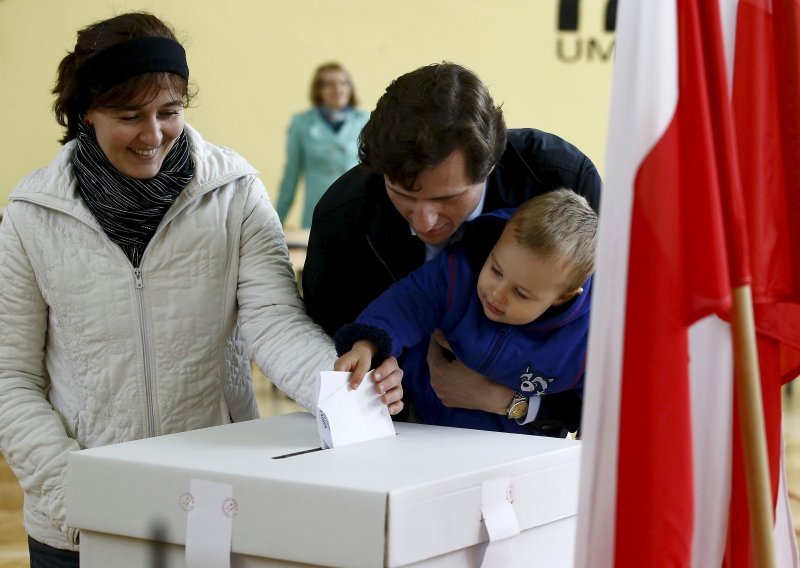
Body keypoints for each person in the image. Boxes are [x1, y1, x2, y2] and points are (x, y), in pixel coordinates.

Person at [0, 13, 402, 566]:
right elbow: (11, 376)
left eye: (169, 112)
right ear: (85, 113)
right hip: (77, 523)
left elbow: (274, 323)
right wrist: (75, 489)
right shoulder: (30, 217)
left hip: (214, 502)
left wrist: (344, 386)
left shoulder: (234, 192)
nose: (153, 134)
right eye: (129, 116)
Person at [303, 62, 601, 436]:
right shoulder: (343, 219)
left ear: (490, 165)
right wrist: (376, 374)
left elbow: (617, 377)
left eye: (448, 198)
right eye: (404, 195)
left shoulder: (559, 181)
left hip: (533, 436)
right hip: (408, 431)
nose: (424, 221)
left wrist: (506, 401)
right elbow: (336, 344)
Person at [334, 190, 597, 434]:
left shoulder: (587, 341)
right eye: (495, 270)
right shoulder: (459, 272)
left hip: (518, 450)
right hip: (425, 424)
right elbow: (407, 303)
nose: (497, 293)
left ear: (562, 297)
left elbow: (603, 414)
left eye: (521, 293)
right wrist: (366, 346)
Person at [275, 62, 369, 228]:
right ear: (318, 90)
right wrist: (275, 222)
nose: (338, 89)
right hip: (319, 212)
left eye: (343, 83)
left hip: (359, 211)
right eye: (329, 84)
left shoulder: (365, 120)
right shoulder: (301, 123)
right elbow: (291, 176)